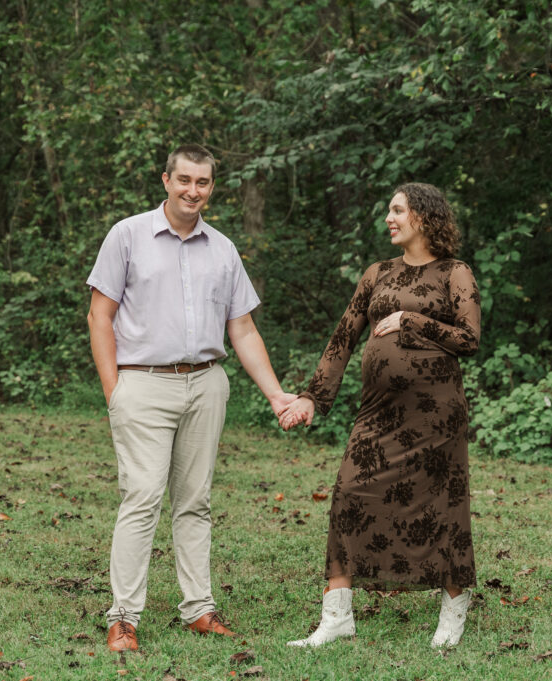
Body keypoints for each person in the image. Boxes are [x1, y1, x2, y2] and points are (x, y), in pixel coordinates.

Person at [87, 144, 297, 652]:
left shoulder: (222, 249)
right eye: (184, 180)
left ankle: (199, 609)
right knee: (142, 497)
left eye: (202, 183)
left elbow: (243, 329)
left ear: (211, 187)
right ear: (166, 180)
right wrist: (115, 390)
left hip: (206, 384)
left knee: (195, 501)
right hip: (142, 384)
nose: (193, 191)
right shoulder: (128, 236)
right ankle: (123, 617)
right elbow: (100, 316)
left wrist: (275, 394)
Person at [279, 182, 481, 649]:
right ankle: (337, 616)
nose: (389, 219)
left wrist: (411, 320)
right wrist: (312, 397)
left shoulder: (455, 273)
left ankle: (454, 607)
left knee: (442, 506)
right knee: (349, 493)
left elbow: (469, 339)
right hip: (378, 412)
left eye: (397, 211)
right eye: (389, 211)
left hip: (437, 417)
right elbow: (344, 337)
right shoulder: (378, 273)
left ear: (424, 217)